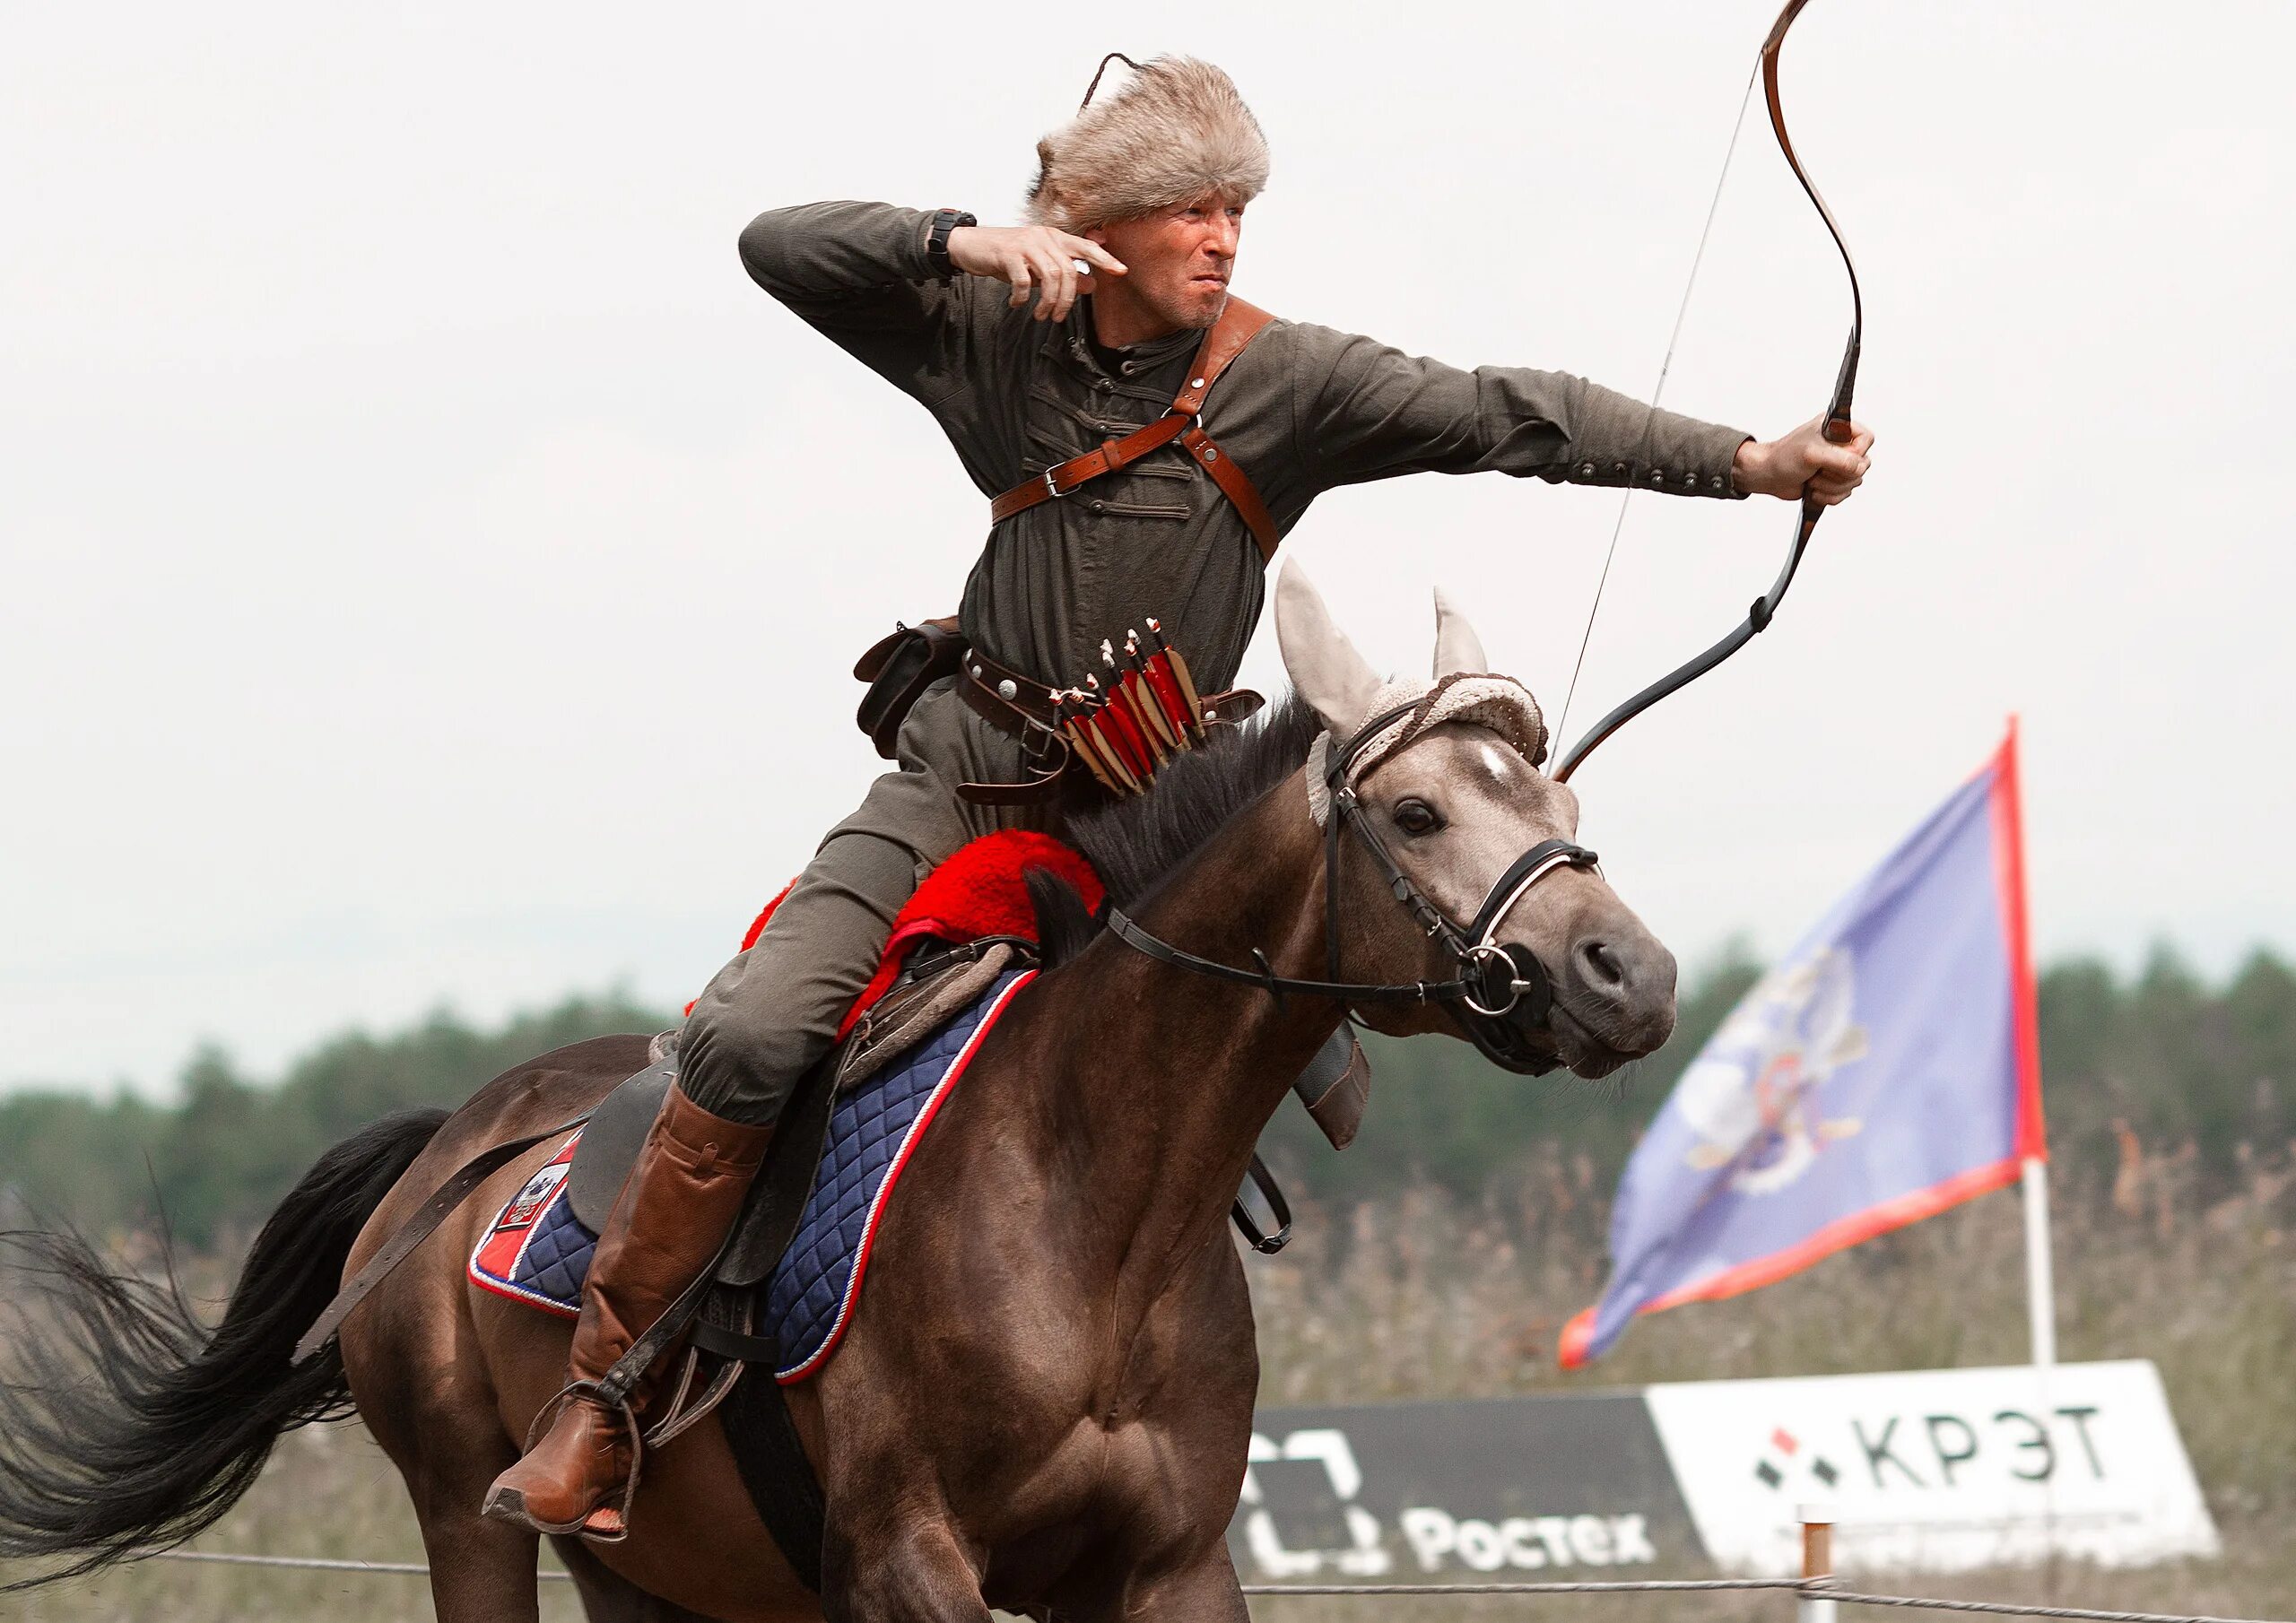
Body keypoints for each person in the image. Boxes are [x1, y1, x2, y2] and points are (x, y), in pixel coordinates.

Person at [483, 54, 1874, 1538]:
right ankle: (604, 1399)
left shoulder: (1286, 379)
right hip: (956, 791)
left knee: (1342, 1011)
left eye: (1236, 207)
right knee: (759, 1030)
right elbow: (779, 245)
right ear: (1096, 223)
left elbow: (1497, 412)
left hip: (1152, 841)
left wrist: (1748, 463)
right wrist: (964, 240)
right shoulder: (992, 330)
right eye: (1190, 209)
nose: (1222, 236)